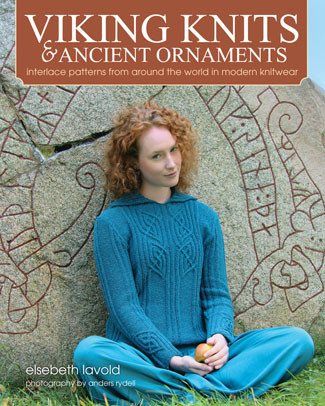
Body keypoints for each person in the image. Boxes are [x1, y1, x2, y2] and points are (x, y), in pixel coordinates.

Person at [73, 102, 315, 405]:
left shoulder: (203, 217)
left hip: (203, 354)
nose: (171, 163)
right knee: (90, 353)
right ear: (134, 162)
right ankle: (212, 390)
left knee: (296, 341)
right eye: (157, 156)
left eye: (174, 150)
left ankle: (177, 393)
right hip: (143, 356)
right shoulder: (113, 224)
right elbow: (125, 309)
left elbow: (216, 295)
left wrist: (220, 338)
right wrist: (172, 358)